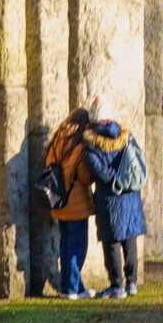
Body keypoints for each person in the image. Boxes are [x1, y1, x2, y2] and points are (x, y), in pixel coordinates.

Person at [82, 95, 147, 300]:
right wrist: (126, 181)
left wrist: (115, 180)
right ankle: (132, 282)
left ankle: (116, 285)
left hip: (110, 198)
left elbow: (100, 172)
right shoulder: (126, 136)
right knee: (130, 239)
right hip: (131, 195)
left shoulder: (92, 144)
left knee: (112, 243)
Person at [42, 107, 96, 299]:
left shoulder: (57, 139)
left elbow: (48, 162)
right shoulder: (79, 146)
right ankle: (71, 289)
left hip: (59, 201)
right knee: (77, 248)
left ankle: (73, 287)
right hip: (76, 203)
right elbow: (84, 176)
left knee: (65, 246)